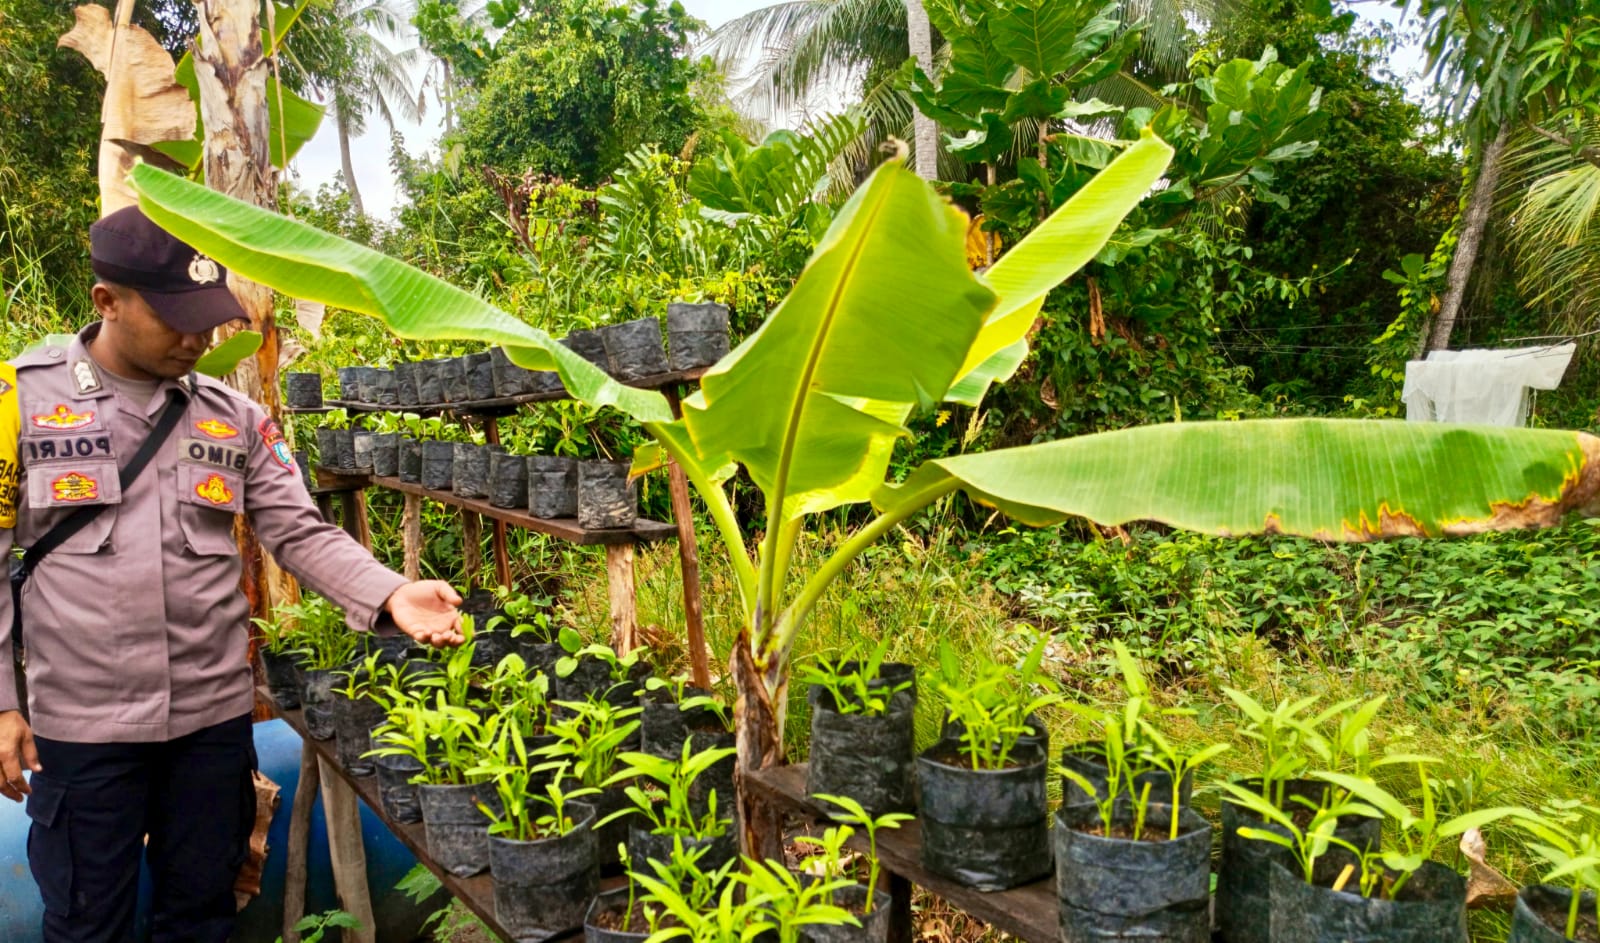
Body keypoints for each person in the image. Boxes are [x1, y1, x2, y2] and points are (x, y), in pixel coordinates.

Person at [0, 205, 465, 943]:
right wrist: (3, 703)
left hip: (208, 730)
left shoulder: (236, 417)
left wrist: (389, 590)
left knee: (204, 918)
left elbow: (300, 531)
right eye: (175, 318)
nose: (197, 338)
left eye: (207, 317)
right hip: (83, 732)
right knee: (87, 925)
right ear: (107, 302)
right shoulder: (18, 403)